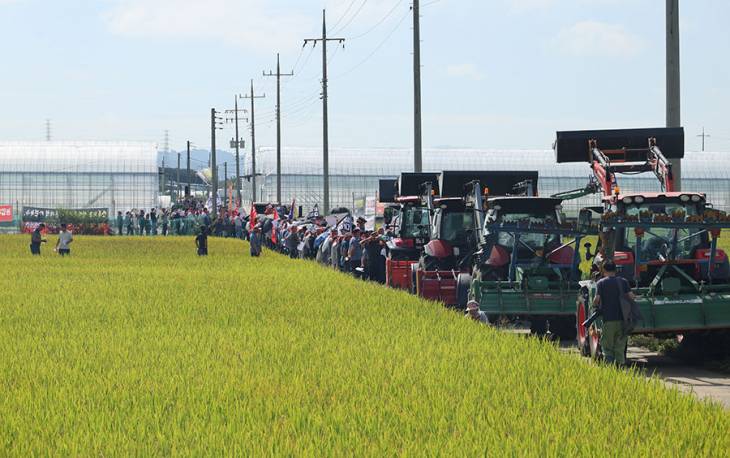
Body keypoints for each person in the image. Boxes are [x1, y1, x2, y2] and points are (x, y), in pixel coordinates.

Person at [593, 261, 634, 365]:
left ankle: (610, 369)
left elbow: (596, 299)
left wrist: (594, 306)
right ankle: (620, 368)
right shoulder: (623, 281)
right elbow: (631, 297)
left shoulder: (601, 283)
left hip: (608, 319)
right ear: (615, 270)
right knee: (620, 347)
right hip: (622, 320)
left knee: (607, 347)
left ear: (604, 270)